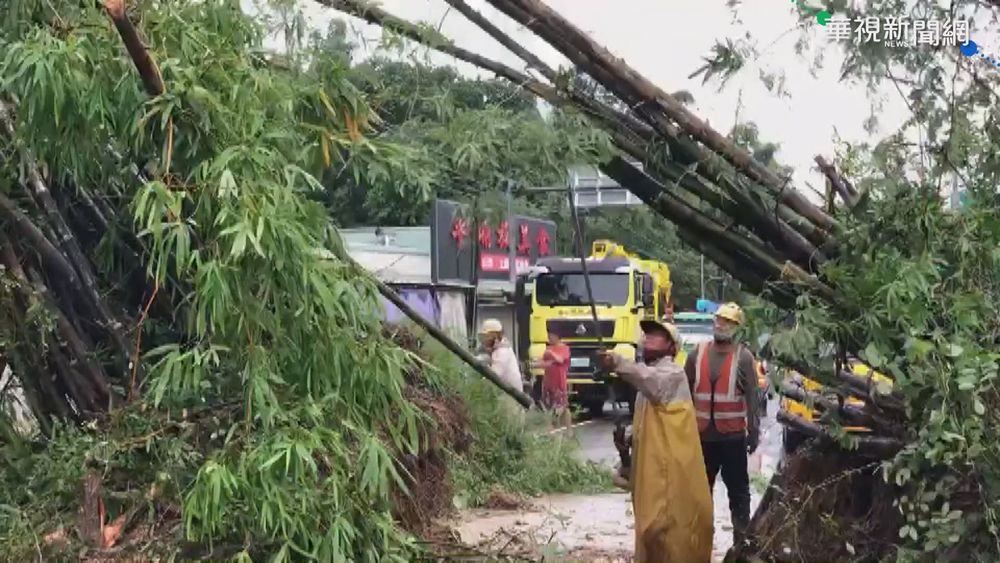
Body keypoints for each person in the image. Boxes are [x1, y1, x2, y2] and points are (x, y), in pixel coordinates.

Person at [597, 317, 713, 563]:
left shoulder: (672, 374)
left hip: (672, 472)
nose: (649, 337)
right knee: (649, 532)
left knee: (668, 532)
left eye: (658, 334)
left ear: (672, 347)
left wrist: (617, 362)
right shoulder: (646, 382)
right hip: (654, 471)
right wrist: (628, 440)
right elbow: (649, 422)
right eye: (647, 333)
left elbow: (651, 382)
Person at [684, 301, 759, 551]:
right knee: (698, 495)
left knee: (738, 494)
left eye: (727, 321)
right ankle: (698, 545)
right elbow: (684, 392)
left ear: (737, 327)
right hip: (702, 437)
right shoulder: (697, 353)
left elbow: (752, 397)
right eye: (719, 319)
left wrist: (754, 432)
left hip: (732, 438)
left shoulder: (744, 357)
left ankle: (741, 544)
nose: (721, 324)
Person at [478, 319, 525, 422]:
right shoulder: (498, 350)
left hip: (511, 398)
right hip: (505, 396)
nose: (485, 340)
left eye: (487, 337)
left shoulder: (502, 353)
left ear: (495, 336)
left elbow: (493, 376)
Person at [539, 331, 571, 430]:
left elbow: (561, 360)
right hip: (548, 380)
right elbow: (544, 363)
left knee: (563, 406)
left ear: (557, 336)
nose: (549, 338)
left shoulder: (564, 348)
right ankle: (552, 429)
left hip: (559, 381)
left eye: (551, 336)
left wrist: (552, 354)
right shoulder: (548, 348)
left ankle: (567, 430)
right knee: (548, 406)